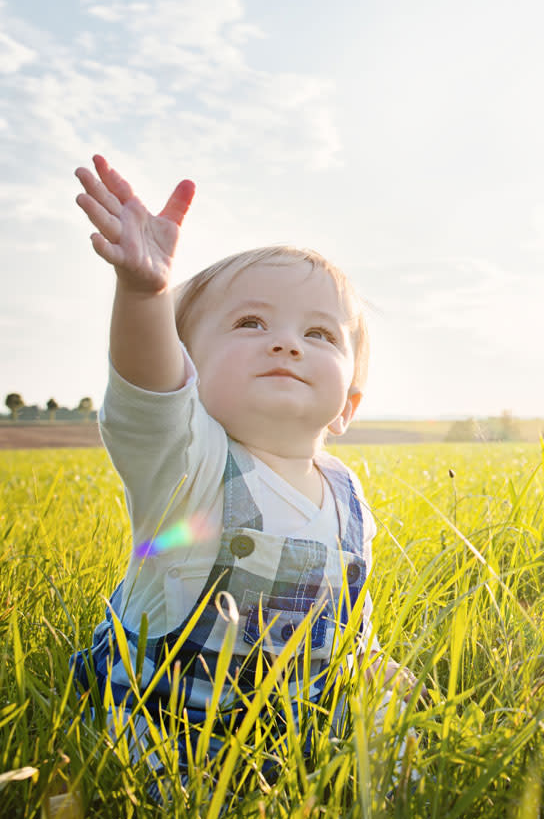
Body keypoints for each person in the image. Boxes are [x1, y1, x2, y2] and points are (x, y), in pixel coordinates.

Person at [69, 154, 410, 793]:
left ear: (349, 408)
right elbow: (149, 396)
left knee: (401, 733)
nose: (287, 343)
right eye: (251, 323)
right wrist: (145, 294)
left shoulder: (347, 497)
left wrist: (368, 663)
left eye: (320, 334)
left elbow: (339, 620)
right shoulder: (191, 465)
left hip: (290, 725)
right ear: (187, 371)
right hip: (173, 739)